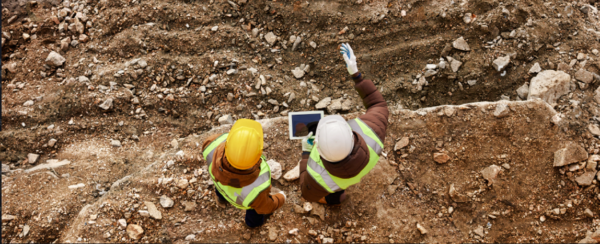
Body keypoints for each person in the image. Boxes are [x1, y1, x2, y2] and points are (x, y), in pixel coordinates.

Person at [299, 43, 389, 206]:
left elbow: (307, 194)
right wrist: (356, 74)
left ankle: (335, 199)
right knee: (337, 185)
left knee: (333, 189)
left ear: (317, 148)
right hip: (357, 169)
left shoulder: (317, 175)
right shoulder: (373, 134)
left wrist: (306, 153)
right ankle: (337, 198)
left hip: (331, 182)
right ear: (351, 133)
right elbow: (378, 105)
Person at [202, 119, 286, 227]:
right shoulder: (257, 189)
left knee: (219, 183)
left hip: (219, 180)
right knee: (255, 210)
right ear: (257, 156)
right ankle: (252, 224)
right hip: (246, 200)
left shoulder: (212, 143)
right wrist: (281, 198)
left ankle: (221, 198)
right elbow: (266, 206)